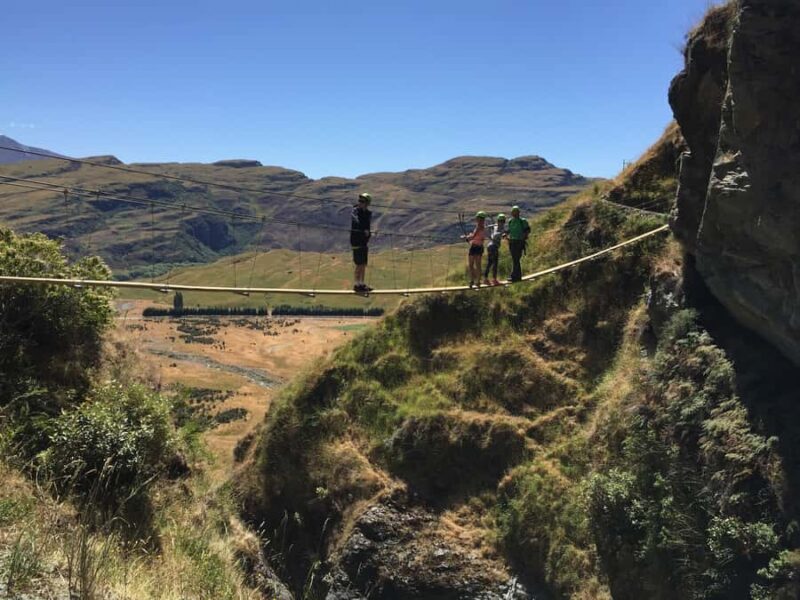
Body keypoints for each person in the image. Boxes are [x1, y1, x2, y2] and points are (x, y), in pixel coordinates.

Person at [351, 192, 372, 292]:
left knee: (363, 263)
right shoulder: (355, 211)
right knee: (359, 264)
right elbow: (356, 221)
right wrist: (363, 230)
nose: (360, 202)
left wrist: (368, 234)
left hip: (364, 241)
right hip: (356, 241)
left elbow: (368, 226)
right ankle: (356, 284)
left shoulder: (367, 214)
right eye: (359, 201)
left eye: (362, 201)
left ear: (367, 203)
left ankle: (362, 284)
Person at [506, 205, 530, 283]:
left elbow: (527, 230)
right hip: (512, 242)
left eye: (516, 212)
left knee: (516, 259)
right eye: (513, 212)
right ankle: (516, 276)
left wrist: (524, 237)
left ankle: (515, 276)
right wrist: (505, 234)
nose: (515, 213)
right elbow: (509, 230)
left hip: (519, 242)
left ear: (518, 213)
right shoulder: (510, 221)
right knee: (515, 259)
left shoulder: (522, 221)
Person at [463, 211, 487, 288]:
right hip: (477, 246)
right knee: (476, 265)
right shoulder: (481, 226)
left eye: (477, 218)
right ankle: (477, 281)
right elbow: (476, 236)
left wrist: (466, 238)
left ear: (479, 218)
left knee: (473, 265)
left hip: (475, 247)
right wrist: (469, 237)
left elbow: (473, 236)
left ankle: (474, 281)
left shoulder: (479, 227)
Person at [483, 213, 506, 286]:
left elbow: (488, 229)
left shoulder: (495, 226)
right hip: (494, 247)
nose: (502, 222)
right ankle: (494, 280)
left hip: (490, 246)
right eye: (501, 221)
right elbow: (498, 234)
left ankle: (485, 279)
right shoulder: (501, 229)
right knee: (495, 263)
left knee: (490, 263)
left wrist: (490, 236)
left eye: (502, 221)